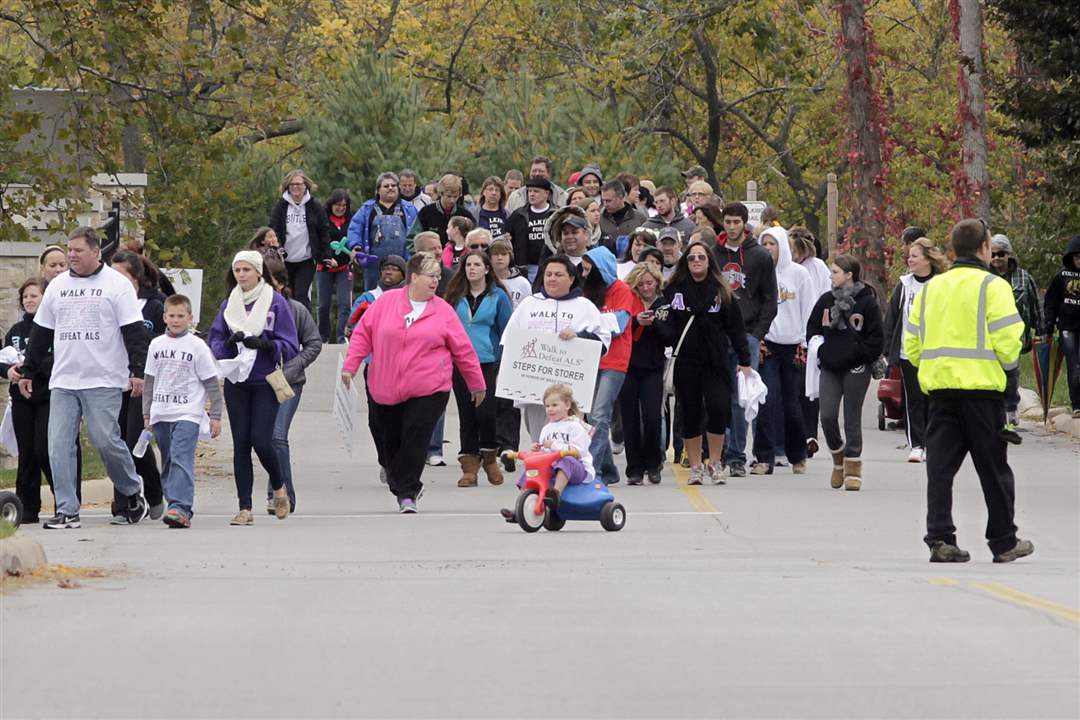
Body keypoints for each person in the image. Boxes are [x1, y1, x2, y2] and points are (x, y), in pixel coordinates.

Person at [905, 218, 1033, 563]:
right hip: (981, 392)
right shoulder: (993, 287)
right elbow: (1010, 342)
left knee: (940, 470)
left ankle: (940, 538)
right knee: (994, 470)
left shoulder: (932, 288)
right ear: (983, 248)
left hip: (940, 392)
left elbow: (912, 344)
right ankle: (1004, 541)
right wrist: (1006, 376)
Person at [18, 227, 151, 529]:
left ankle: (131, 491)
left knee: (106, 441)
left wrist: (138, 371)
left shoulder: (117, 285)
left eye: (78, 250)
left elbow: (134, 333)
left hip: (103, 378)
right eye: (69, 250)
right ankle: (67, 509)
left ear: (95, 251)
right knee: (58, 445)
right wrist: (28, 370)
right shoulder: (57, 286)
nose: (71, 256)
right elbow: (40, 334)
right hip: (64, 380)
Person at [341, 252, 486, 513]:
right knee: (389, 439)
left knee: (415, 438)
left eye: (438, 277)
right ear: (414, 277)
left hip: (429, 387)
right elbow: (363, 334)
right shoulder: (385, 303)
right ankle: (401, 481)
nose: (435, 281)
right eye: (431, 276)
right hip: (384, 385)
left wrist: (476, 384)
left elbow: (463, 350)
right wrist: (350, 367)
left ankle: (407, 493)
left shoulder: (443, 311)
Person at [209, 250, 300, 525]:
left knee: (262, 440)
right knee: (241, 444)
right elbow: (215, 338)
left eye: (246, 270)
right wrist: (225, 346)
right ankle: (245, 507)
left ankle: (279, 486)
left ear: (259, 272)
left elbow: (291, 344)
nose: (241, 275)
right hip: (237, 380)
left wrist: (268, 345)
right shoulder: (229, 304)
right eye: (237, 270)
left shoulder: (276, 303)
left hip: (264, 380)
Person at [656, 240, 752, 485]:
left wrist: (744, 360)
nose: (696, 261)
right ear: (685, 262)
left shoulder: (722, 291)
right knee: (690, 412)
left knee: (719, 408)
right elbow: (666, 325)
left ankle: (716, 462)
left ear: (710, 262)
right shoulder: (674, 290)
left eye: (701, 257)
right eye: (691, 258)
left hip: (716, 361)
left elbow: (737, 329)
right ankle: (696, 465)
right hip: (687, 361)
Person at [501, 255, 610, 441]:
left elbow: (604, 342)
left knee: (568, 443)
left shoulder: (585, 307)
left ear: (571, 279)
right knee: (540, 441)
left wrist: (580, 336)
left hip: (571, 393)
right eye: (548, 274)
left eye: (558, 274)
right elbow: (508, 341)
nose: (552, 278)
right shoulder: (529, 304)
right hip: (533, 391)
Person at [141, 294, 223, 528]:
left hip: (188, 412)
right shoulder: (156, 345)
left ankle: (180, 506)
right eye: (172, 316)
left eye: (181, 316)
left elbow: (211, 383)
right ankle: (175, 503)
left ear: (190, 318)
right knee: (168, 460)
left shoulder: (197, 346)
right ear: (164, 317)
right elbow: (149, 382)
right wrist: (147, 412)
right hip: (161, 411)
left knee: (180, 457)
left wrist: (215, 415)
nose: (176, 320)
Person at [806, 255, 884, 492]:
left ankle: (853, 465)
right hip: (830, 365)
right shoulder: (825, 301)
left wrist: (859, 353)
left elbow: (876, 339)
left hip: (856, 366)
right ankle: (838, 455)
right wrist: (820, 351)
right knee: (827, 415)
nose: (831, 277)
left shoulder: (867, 303)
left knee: (852, 417)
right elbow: (812, 329)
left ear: (849, 275)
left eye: (836, 272)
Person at [712, 202, 777, 477]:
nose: (732, 226)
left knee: (742, 398)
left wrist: (756, 334)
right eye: (727, 221)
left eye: (737, 222)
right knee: (718, 396)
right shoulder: (713, 253)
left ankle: (737, 456)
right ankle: (720, 451)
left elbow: (769, 300)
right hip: (717, 333)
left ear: (744, 223)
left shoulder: (759, 256)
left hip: (747, 334)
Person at [443, 246, 513, 487]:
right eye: (468, 265)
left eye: (476, 265)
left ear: (486, 269)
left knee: (486, 412)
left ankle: (490, 458)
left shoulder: (498, 297)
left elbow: (507, 330)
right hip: (460, 363)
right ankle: (469, 465)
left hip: (487, 361)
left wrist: (504, 358)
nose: (472, 269)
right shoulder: (454, 296)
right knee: (467, 413)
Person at [750, 227, 814, 475]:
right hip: (768, 344)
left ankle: (797, 456)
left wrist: (804, 342)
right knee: (766, 400)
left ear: (782, 247)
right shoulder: (759, 272)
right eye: (763, 244)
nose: (767, 249)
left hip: (794, 345)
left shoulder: (799, 274)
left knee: (792, 404)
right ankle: (764, 458)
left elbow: (808, 309)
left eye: (772, 244)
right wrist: (758, 337)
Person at [108, 251, 166, 522]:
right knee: (113, 442)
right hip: (110, 377)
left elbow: (167, 339)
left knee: (133, 443)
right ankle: (124, 505)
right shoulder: (105, 299)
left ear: (136, 278)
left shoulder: (155, 304)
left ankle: (153, 491)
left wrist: (136, 332)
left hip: (144, 381)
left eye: (120, 275)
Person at [265, 257, 322, 514]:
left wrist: (293, 367)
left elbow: (314, 343)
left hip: (289, 382)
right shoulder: (246, 309)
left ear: (280, 284)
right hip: (258, 382)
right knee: (264, 438)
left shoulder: (296, 309)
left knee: (277, 436)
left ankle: (283, 494)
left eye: (269, 282)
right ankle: (274, 491)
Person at [884, 238, 949, 462]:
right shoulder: (905, 285)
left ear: (928, 259)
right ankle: (917, 444)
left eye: (915, 256)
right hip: (908, 352)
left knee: (934, 399)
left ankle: (934, 443)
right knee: (914, 400)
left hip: (936, 352)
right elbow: (892, 318)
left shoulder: (942, 284)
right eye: (909, 256)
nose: (909, 260)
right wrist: (887, 352)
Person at [499, 383, 596, 524]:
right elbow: (546, 453)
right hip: (552, 467)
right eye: (547, 406)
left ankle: (554, 495)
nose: (550, 409)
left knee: (566, 460)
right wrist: (538, 450)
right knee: (532, 467)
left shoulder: (575, 426)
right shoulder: (547, 429)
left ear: (567, 405)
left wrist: (555, 445)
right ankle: (522, 507)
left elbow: (578, 451)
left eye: (555, 405)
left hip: (577, 468)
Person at [580, 246, 635, 486]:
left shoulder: (623, 291)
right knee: (591, 416)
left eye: (588, 269)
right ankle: (609, 468)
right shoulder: (588, 292)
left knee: (600, 415)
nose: (584, 274)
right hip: (590, 359)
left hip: (615, 360)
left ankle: (592, 471)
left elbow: (619, 323)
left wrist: (591, 324)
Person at [1, 278, 53, 523]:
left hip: (46, 396)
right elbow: (2, 360)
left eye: (34, 296)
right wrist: (8, 371)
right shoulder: (16, 331)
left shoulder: (53, 328)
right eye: (26, 297)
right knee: (27, 453)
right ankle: (27, 508)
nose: (29, 300)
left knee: (44, 449)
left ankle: (64, 499)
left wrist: (31, 368)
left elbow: (56, 361)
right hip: (21, 400)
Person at [618, 263, 666, 484]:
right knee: (630, 419)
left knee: (652, 417)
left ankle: (653, 463)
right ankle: (634, 468)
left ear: (657, 282)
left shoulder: (664, 304)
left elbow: (670, 335)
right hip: (628, 366)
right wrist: (636, 321)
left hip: (653, 367)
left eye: (650, 283)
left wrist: (654, 323)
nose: (646, 288)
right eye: (642, 284)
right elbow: (618, 327)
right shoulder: (629, 300)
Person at [989, 234, 1042, 429]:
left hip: (1015, 334)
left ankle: (1011, 407)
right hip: (989, 334)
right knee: (994, 373)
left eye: (1001, 254)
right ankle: (996, 410)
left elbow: (1035, 304)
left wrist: (1041, 329)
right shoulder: (985, 278)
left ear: (1008, 254)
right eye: (993, 254)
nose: (996, 258)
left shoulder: (1023, 277)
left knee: (1011, 373)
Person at [488, 239, 531, 468]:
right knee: (490, 396)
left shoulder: (522, 283)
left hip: (514, 343)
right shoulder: (487, 283)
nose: (499, 258)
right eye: (495, 254)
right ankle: (490, 443)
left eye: (504, 254)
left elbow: (528, 310)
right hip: (491, 342)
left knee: (508, 398)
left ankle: (509, 446)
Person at [789, 226, 831, 455]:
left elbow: (826, 295)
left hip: (813, 334)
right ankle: (799, 434)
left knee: (809, 388)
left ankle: (810, 434)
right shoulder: (787, 269)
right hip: (792, 332)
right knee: (794, 389)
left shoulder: (818, 268)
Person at [268, 169, 331, 308]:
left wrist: (326, 255)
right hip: (285, 260)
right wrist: (276, 249)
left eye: (298, 184)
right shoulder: (281, 206)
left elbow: (323, 231)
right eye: (292, 184)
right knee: (286, 294)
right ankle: (287, 326)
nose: (295, 187)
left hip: (306, 259)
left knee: (301, 295)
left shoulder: (315, 206)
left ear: (305, 186)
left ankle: (303, 327)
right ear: (287, 187)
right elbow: (273, 229)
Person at [346, 172, 418, 292]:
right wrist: (356, 246)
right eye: (386, 186)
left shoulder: (409, 209)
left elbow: (417, 233)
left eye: (393, 185)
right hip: (373, 265)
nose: (390, 188)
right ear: (378, 190)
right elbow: (355, 228)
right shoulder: (367, 209)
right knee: (373, 298)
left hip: (402, 264)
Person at [1042, 234, 1080, 418]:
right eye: (1077, 257)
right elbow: (1051, 301)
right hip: (1067, 328)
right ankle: (1077, 405)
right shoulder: (1061, 276)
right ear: (1071, 257)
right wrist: (1048, 322)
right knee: (1074, 366)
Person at [317, 188, 353, 344]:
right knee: (324, 304)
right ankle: (322, 336)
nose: (340, 208)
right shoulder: (322, 219)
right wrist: (328, 258)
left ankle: (341, 336)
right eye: (337, 205)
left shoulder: (351, 220)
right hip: (325, 267)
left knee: (344, 302)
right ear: (331, 205)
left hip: (345, 267)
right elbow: (318, 242)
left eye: (344, 206)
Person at [507, 177, 556, 281]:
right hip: (524, 267)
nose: (532, 194)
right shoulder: (518, 215)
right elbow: (507, 238)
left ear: (547, 193)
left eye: (536, 191)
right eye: (529, 191)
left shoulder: (556, 214)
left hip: (550, 266)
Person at [417, 173, 474, 245]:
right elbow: (413, 238)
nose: (452, 200)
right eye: (449, 196)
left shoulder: (465, 215)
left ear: (460, 195)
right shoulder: (426, 212)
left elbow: (473, 239)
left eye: (455, 196)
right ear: (441, 193)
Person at [598, 180, 647, 254]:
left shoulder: (640, 218)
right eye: (603, 201)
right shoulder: (599, 220)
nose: (605, 204)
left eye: (608, 201)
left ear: (621, 197)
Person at [476, 176, 510, 240]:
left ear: (501, 194)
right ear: (483, 192)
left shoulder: (507, 214)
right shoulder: (475, 214)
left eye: (497, 190)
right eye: (490, 189)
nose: (494, 193)